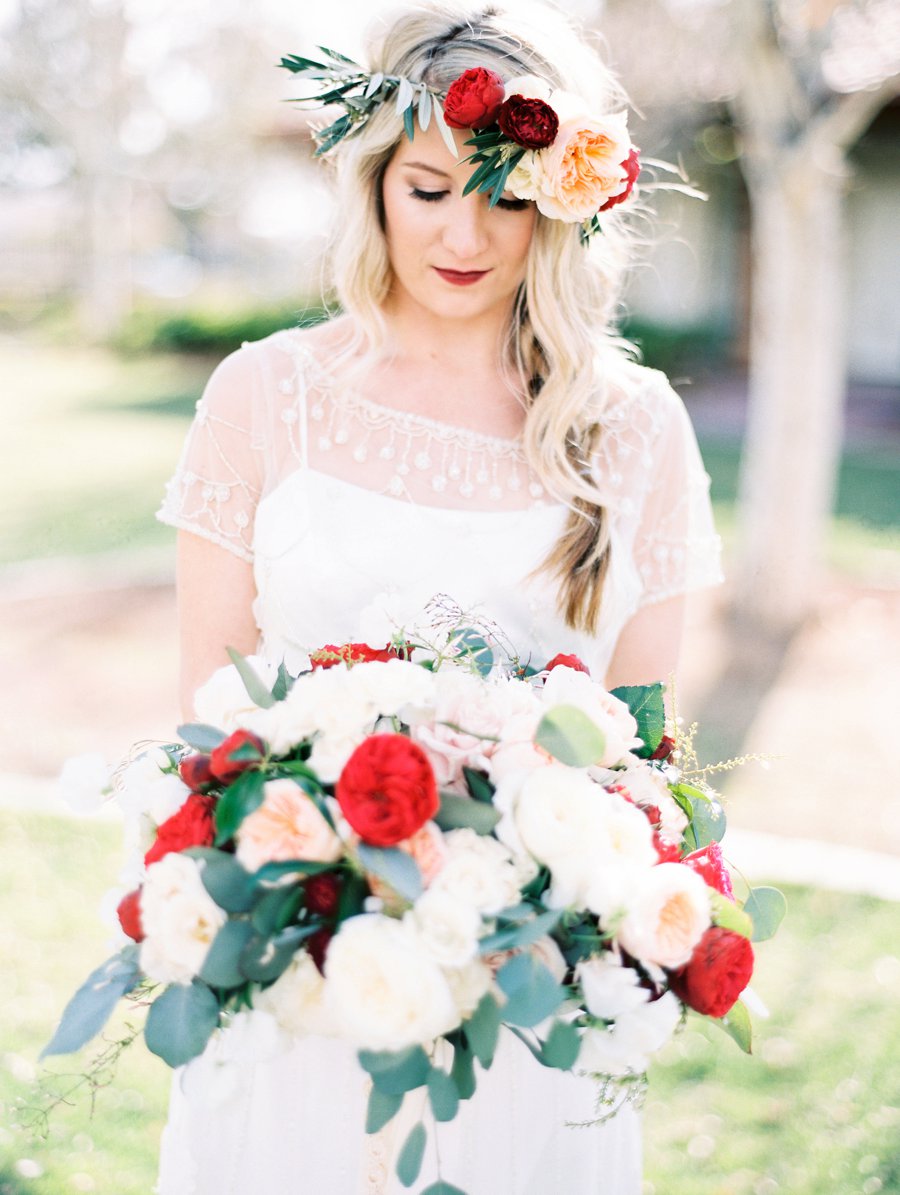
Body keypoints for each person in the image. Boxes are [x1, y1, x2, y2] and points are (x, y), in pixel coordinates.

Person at [154, 2, 722, 1191]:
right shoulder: (266, 396)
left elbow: (642, 749)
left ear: (564, 204)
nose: (466, 232)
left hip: (525, 1001)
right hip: (303, 970)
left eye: (509, 194)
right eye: (428, 187)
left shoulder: (630, 428)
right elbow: (208, 722)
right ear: (372, 186)